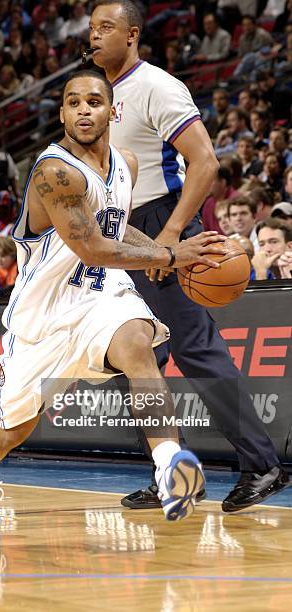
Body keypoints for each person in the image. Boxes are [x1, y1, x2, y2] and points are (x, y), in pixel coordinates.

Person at [0, 69, 228, 529]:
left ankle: (168, 465)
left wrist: (167, 254)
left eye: (95, 101)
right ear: (62, 113)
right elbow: (91, 245)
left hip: (103, 296)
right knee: (12, 430)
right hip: (46, 316)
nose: (85, 109)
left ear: (111, 111)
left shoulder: (127, 163)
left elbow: (114, 227)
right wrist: (168, 252)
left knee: (139, 344)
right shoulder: (54, 172)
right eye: (74, 102)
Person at [90, 0, 289, 513]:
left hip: (163, 223)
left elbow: (205, 163)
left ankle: (262, 465)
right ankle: (169, 473)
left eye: (105, 27)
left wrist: (171, 239)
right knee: (139, 358)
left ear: (132, 34)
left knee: (195, 350)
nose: (93, 36)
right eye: (91, 28)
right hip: (125, 230)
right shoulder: (101, 96)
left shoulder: (156, 85)